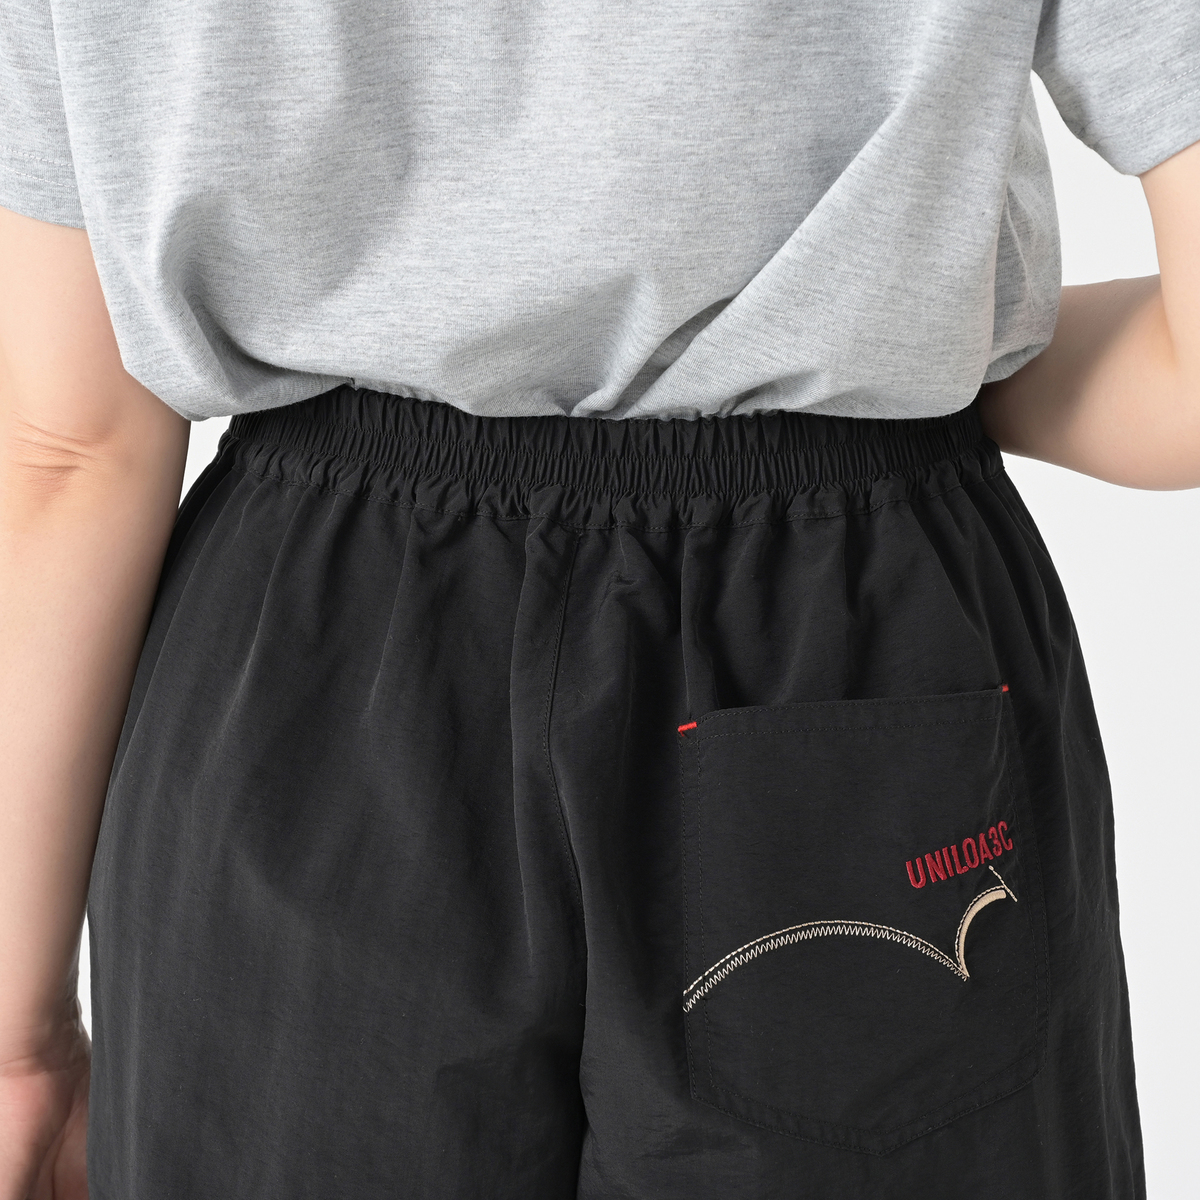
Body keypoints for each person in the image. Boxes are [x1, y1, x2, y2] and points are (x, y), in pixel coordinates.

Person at [1, 2, 1197, 1197]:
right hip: (852, 629)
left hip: (303, 673)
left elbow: (71, 453)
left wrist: (20, 1042)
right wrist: (914, 351)